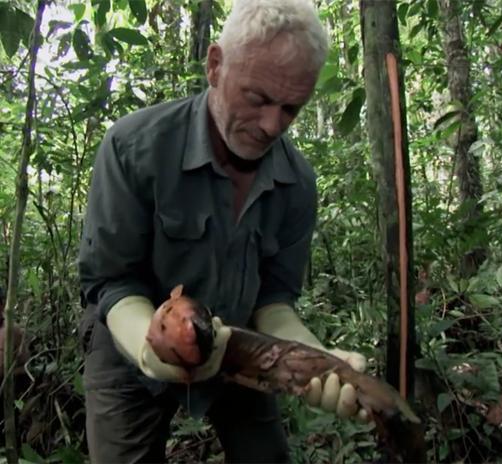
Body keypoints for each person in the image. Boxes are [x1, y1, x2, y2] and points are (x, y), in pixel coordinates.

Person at [78, 0, 368, 462]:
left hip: (236, 344)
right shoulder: (135, 148)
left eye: (291, 108)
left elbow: (274, 301)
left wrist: (318, 361)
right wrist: (150, 352)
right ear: (215, 66)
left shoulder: (296, 183)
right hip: (128, 351)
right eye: (257, 98)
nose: (273, 125)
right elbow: (111, 281)